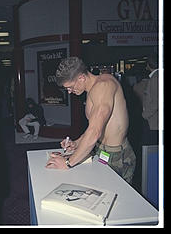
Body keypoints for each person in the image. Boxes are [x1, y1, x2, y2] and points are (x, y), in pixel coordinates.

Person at [46, 56, 136, 184]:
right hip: (101, 150)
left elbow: (95, 131)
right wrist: (77, 143)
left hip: (116, 154)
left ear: (81, 78)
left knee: (118, 200)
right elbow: (93, 127)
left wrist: (67, 163)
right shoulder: (92, 89)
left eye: (70, 87)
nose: (70, 92)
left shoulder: (104, 86)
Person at [142, 54, 159, 145]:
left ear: (149, 65)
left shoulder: (156, 78)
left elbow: (157, 101)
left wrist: (145, 115)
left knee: (150, 146)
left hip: (153, 121)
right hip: (155, 120)